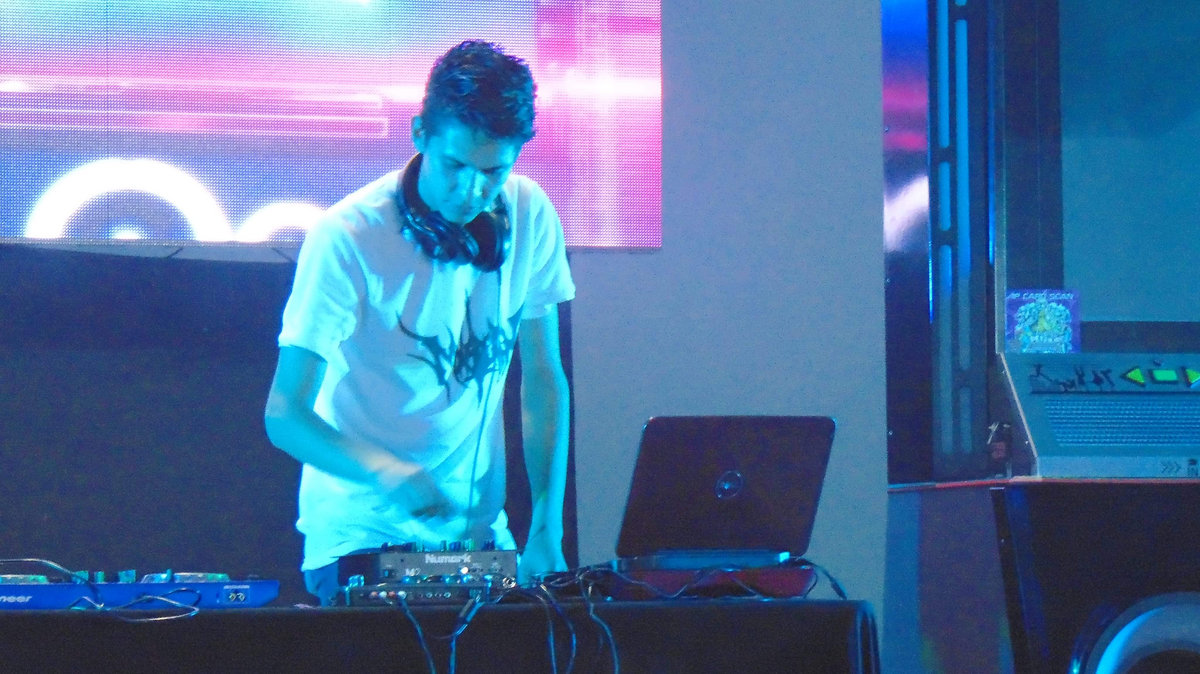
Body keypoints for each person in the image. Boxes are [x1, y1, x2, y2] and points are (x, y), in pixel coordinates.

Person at [263, 40, 575, 605]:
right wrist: (385, 470)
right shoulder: (348, 237)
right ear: (419, 135)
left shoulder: (530, 214)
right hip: (361, 537)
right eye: (454, 166)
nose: (472, 192)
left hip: (479, 541)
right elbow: (284, 415)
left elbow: (543, 380)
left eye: (493, 172)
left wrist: (547, 528)